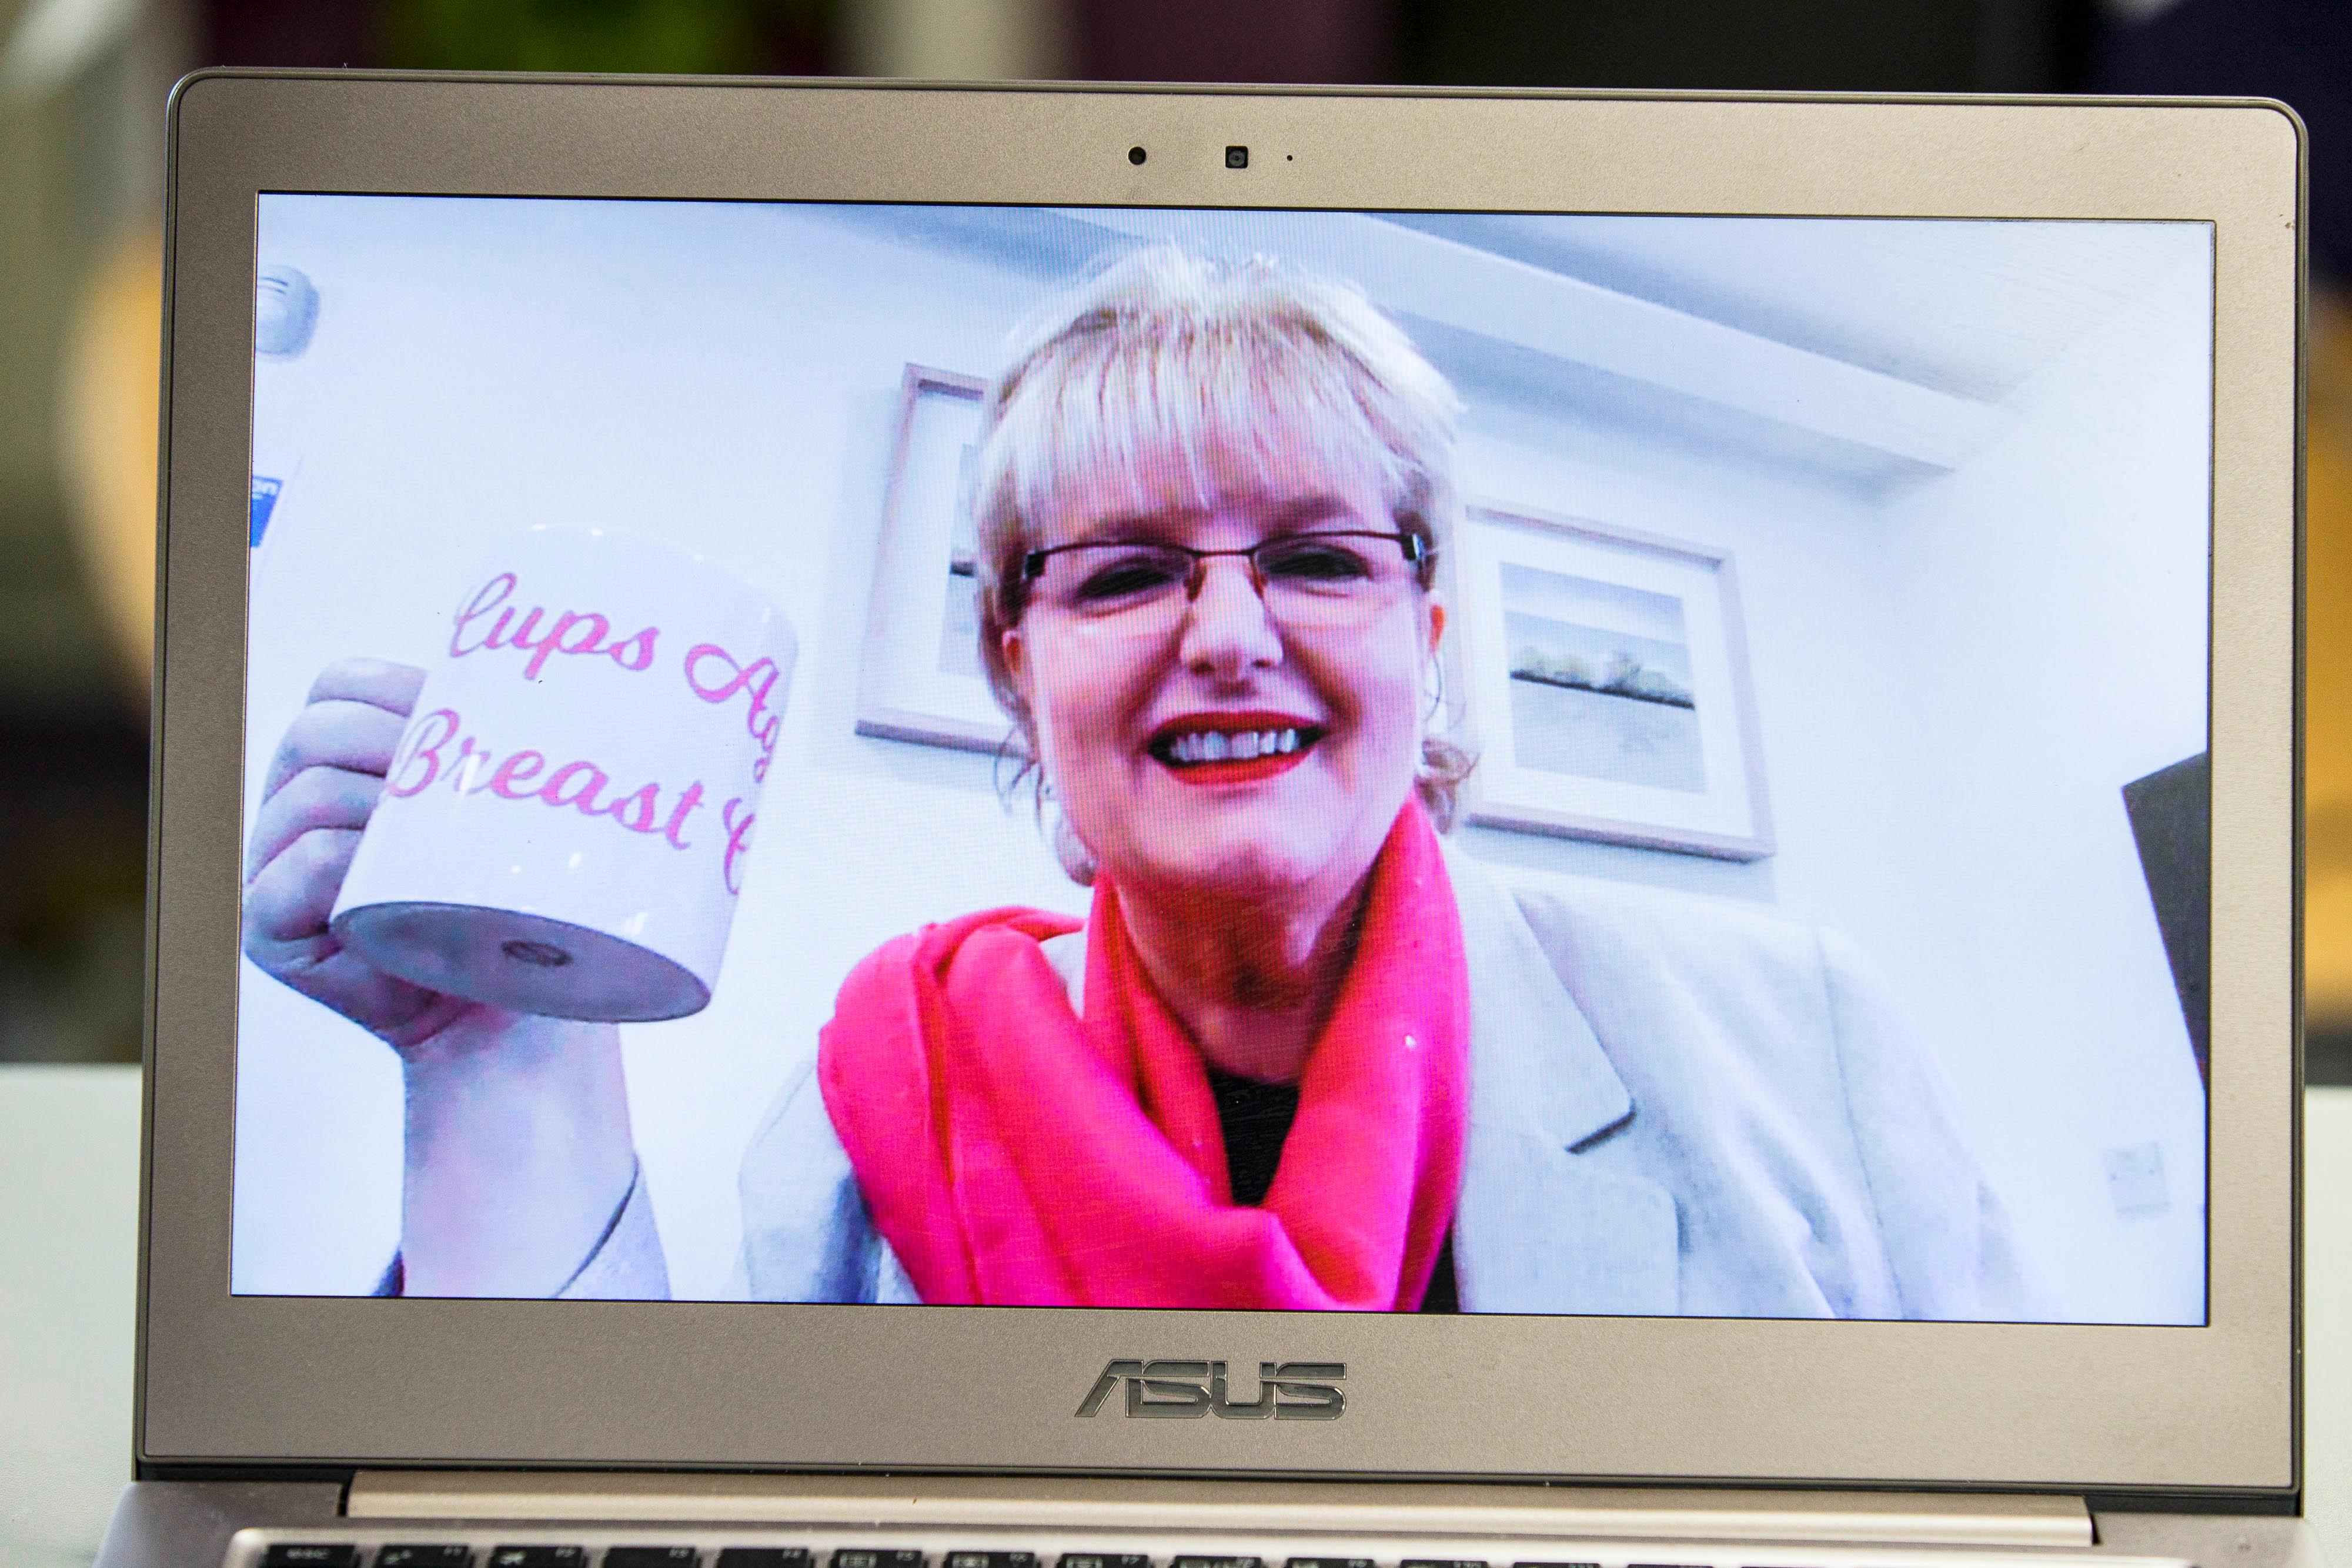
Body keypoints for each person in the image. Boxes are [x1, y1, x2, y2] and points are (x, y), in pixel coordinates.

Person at [243, 246, 2046, 1316]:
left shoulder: (1796, 1034)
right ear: (1016, 671)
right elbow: (597, 1504)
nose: (1232, 634)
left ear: (1427, 632)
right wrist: (487, 1055)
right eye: (1121, 572)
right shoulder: (879, 1104)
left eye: (1320, 559)